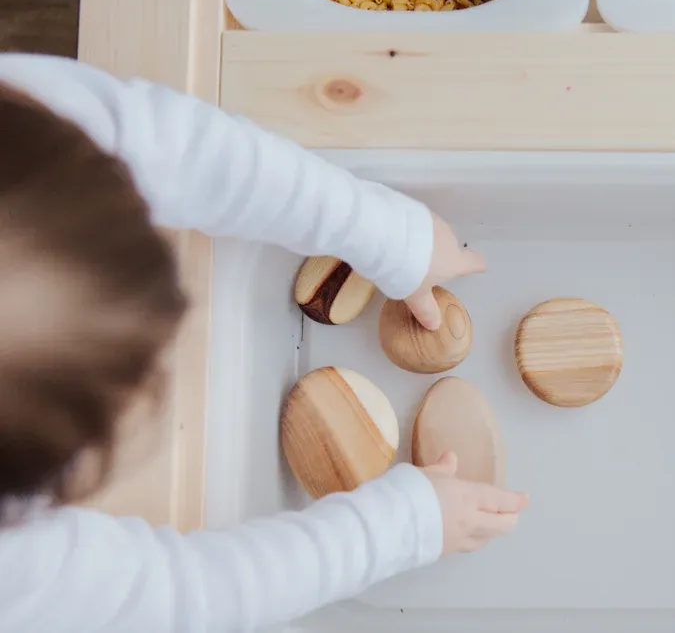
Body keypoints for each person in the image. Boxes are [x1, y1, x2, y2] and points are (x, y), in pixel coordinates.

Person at [0, 53, 529, 632]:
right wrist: (399, 530)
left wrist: (386, 232)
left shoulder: (28, 122)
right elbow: (185, 598)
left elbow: (184, 152)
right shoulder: (19, 576)